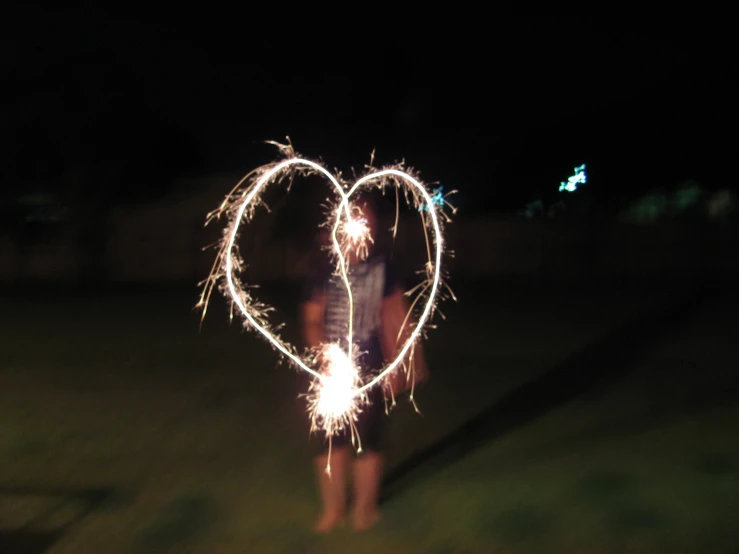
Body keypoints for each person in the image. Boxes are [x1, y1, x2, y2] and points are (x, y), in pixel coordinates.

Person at [300, 194, 427, 533]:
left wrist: (400, 364)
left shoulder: (385, 267)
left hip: (372, 368)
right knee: (331, 441)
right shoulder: (326, 267)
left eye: (368, 221)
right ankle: (333, 510)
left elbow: (398, 317)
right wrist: (325, 355)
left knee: (369, 440)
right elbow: (312, 319)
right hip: (332, 372)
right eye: (357, 220)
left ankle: (365, 511)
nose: (362, 228)